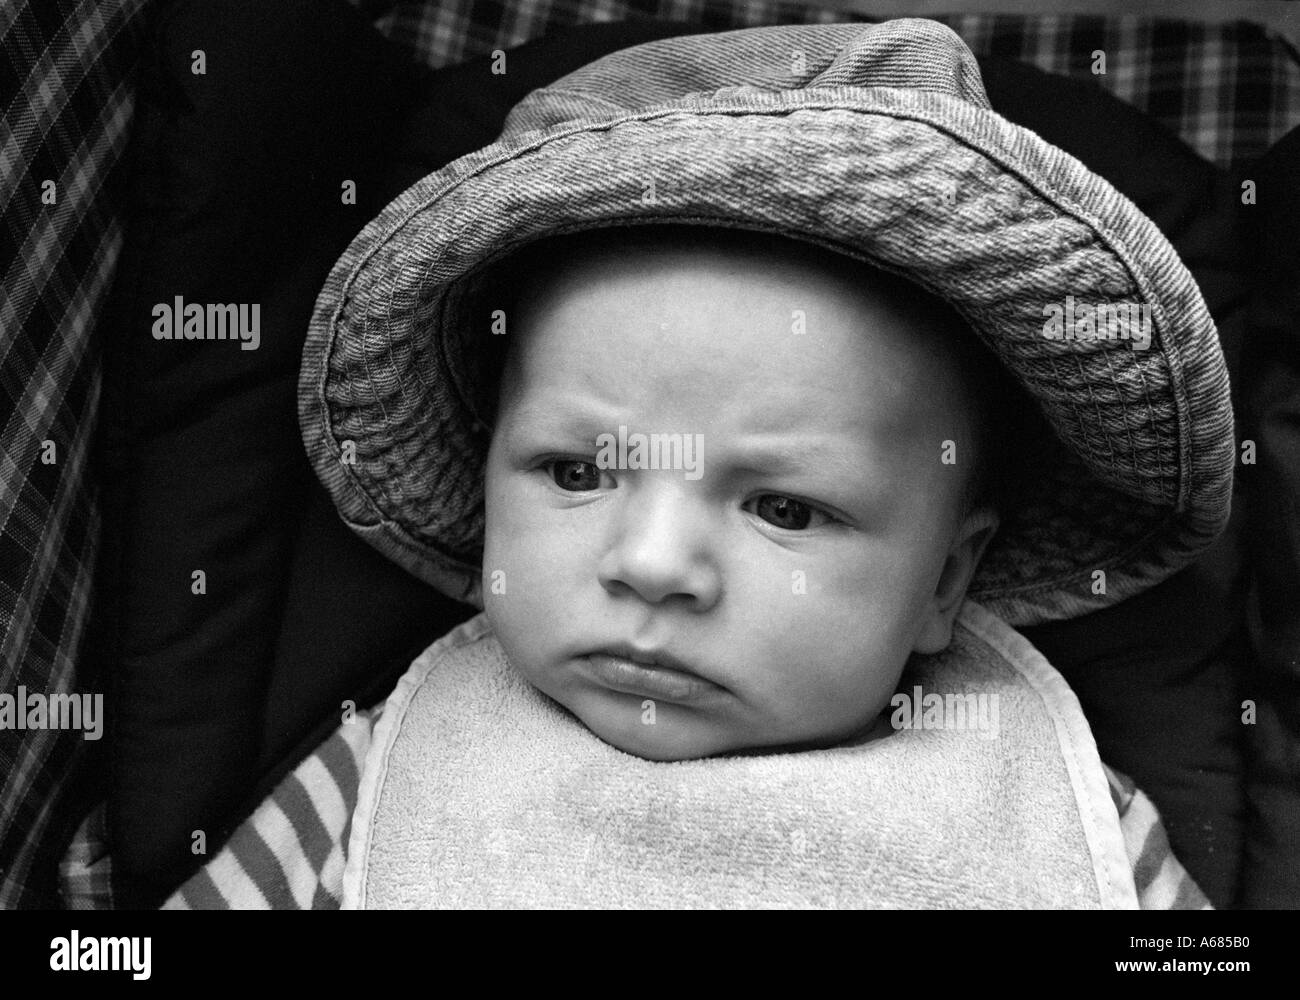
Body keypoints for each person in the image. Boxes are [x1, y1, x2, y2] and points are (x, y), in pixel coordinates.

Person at [168, 18, 1233, 908]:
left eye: (781, 505)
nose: (651, 562)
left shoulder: (1057, 814)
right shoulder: (386, 775)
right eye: (577, 473)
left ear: (945, 582)